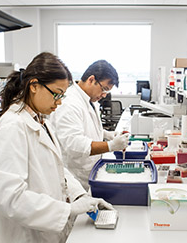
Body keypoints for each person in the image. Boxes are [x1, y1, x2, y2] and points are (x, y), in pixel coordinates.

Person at [0, 52, 113, 243]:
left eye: (62, 96)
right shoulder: (13, 126)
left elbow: (58, 168)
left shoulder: (41, 119)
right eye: (56, 95)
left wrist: (81, 196)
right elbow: (8, 197)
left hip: (45, 234)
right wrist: (68, 209)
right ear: (34, 86)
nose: (59, 103)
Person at [51, 60, 130, 190]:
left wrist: (106, 134)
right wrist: (111, 146)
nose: (104, 95)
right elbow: (74, 144)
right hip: (76, 179)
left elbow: (84, 126)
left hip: (89, 172)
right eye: (104, 89)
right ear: (91, 79)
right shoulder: (69, 104)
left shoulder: (88, 99)